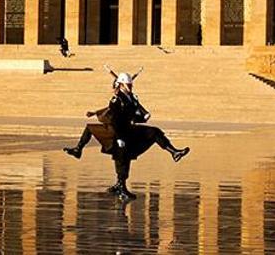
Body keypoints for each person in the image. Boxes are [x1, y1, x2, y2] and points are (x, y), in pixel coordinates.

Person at [63, 70, 190, 201]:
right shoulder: (117, 99)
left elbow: (135, 113)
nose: (130, 87)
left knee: (154, 132)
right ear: (121, 85)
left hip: (129, 128)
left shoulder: (132, 98)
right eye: (128, 85)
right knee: (122, 156)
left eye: (131, 85)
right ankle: (120, 186)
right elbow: (114, 119)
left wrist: (143, 116)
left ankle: (174, 152)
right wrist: (119, 137)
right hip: (119, 131)